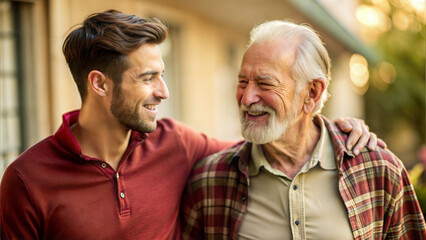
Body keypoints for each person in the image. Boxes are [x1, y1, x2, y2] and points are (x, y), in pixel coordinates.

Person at [0, 10, 379, 240]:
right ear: (99, 83)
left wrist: (328, 124)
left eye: (162, 74)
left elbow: (267, 139)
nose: (163, 92)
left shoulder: (177, 145)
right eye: (147, 78)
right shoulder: (27, 181)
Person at [181, 20, 426, 240]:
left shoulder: (378, 170)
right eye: (242, 82)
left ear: (311, 93)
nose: (246, 98)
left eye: (265, 83)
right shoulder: (210, 181)